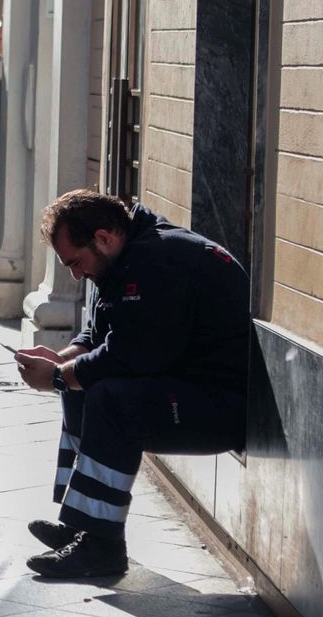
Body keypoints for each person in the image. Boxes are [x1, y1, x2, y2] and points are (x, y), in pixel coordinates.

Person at [13, 190, 250, 579]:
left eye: (76, 262)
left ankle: (103, 548)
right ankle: (81, 525)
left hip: (223, 406)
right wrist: (64, 359)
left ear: (103, 238)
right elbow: (100, 330)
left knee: (107, 394)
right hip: (185, 387)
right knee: (83, 384)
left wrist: (58, 377)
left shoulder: (157, 260)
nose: (76, 274)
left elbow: (130, 355)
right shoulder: (127, 253)